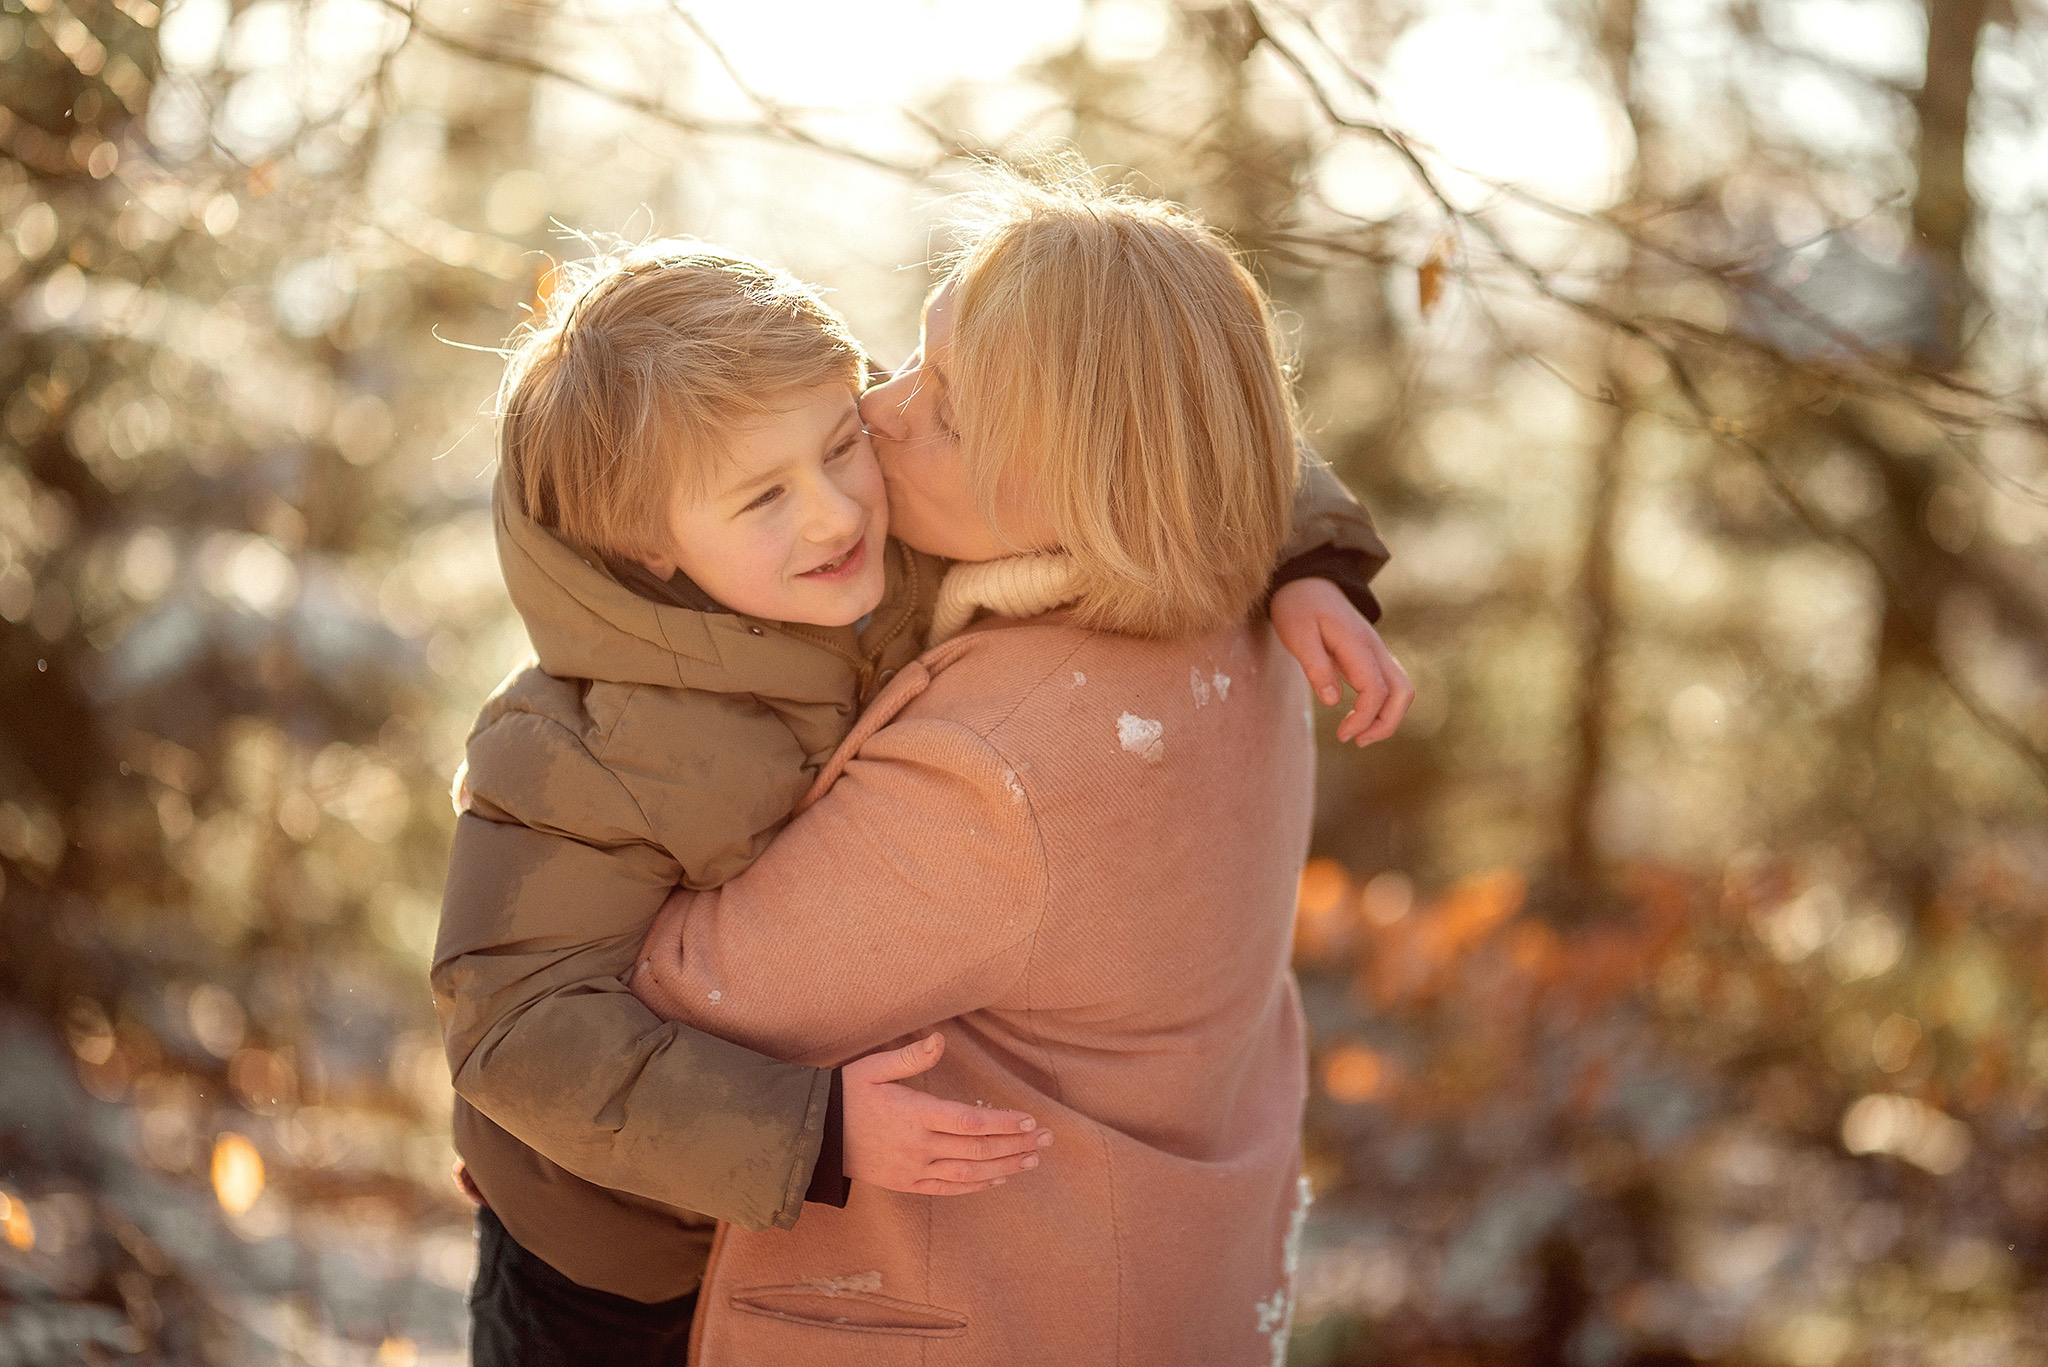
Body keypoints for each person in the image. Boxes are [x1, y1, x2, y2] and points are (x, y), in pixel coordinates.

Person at [433, 236, 1403, 1363]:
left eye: (845, 436)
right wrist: (813, 1128)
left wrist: (1308, 562)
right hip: (598, 1256)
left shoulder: (901, 557)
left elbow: (1162, 426)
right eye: (763, 496)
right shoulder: (576, 745)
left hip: (730, 1219)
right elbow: (512, 1023)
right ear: (645, 544)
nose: (838, 508)